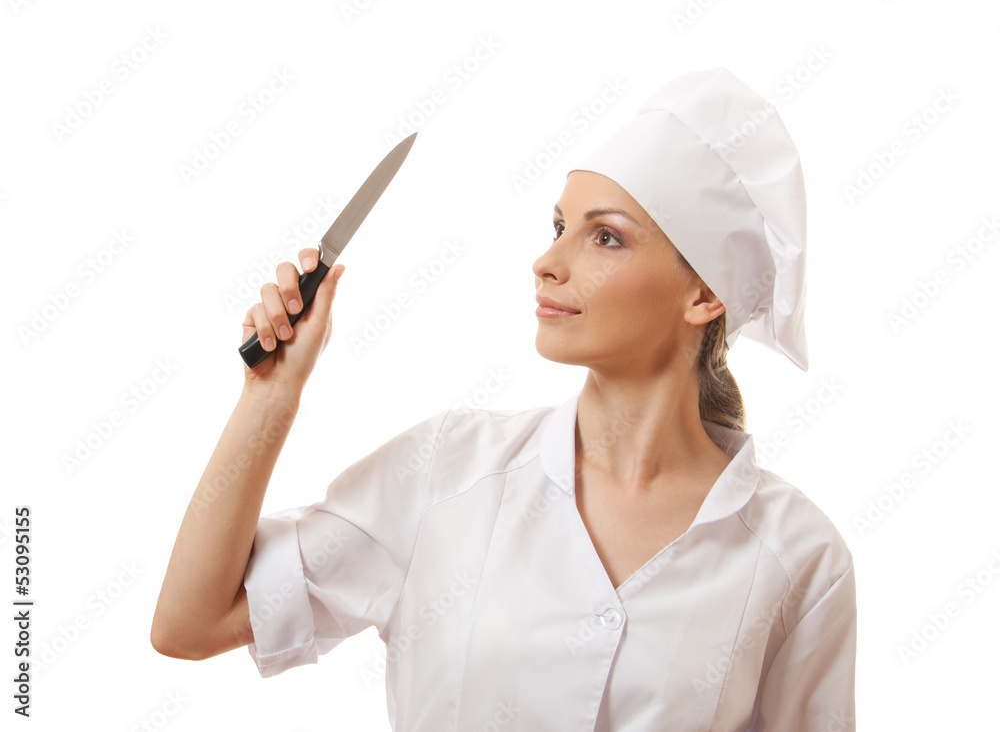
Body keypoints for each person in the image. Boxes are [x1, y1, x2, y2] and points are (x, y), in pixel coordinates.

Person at [152, 67, 857, 731]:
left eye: (605, 237)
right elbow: (191, 623)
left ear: (704, 293)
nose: (548, 263)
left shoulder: (799, 555)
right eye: (559, 228)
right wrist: (272, 393)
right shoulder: (447, 470)